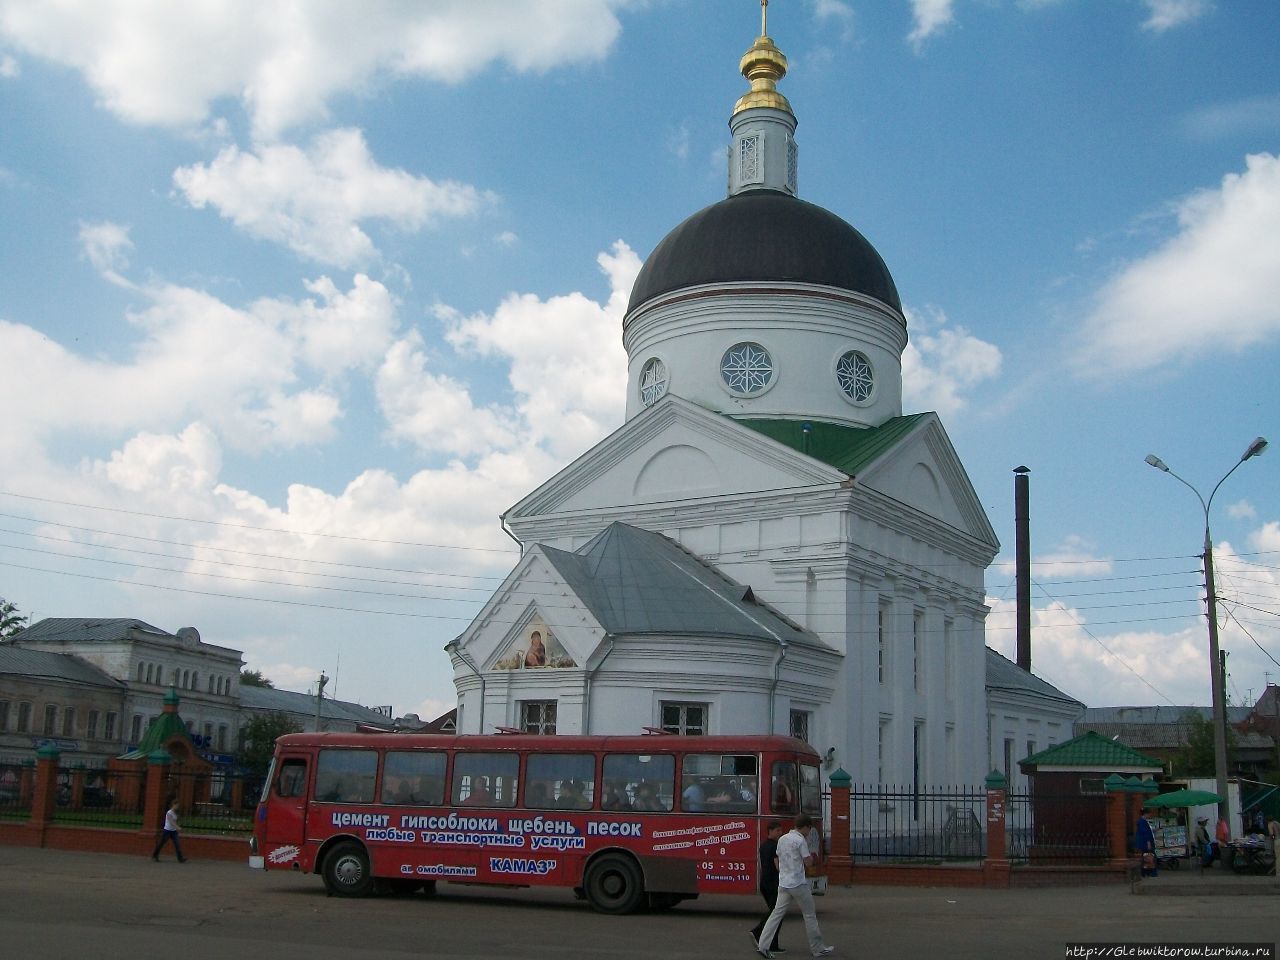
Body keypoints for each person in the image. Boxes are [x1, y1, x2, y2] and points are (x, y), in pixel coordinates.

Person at [755, 813, 834, 959]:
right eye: (809, 829)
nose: (809, 832)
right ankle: (817, 948)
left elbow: (778, 859)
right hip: (798, 883)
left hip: (783, 883)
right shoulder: (800, 840)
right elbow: (808, 862)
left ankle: (763, 946)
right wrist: (813, 858)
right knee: (809, 914)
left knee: (776, 914)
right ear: (805, 827)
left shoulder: (783, 839)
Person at [749, 820, 786, 955]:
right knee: (776, 913)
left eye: (781, 831)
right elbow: (778, 866)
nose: (780, 833)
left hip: (765, 882)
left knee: (776, 912)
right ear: (770, 831)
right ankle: (757, 931)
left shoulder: (763, 846)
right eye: (778, 831)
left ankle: (773, 944)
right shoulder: (776, 846)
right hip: (774, 883)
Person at [151, 798, 187, 863]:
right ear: (173, 805)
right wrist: (177, 827)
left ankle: (180, 858)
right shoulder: (169, 813)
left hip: (173, 832)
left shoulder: (175, 813)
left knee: (177, 844)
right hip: (167, 831)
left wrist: (178, 825)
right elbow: (171, 822)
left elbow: (175, 821)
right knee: (161, 843)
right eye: (177, 805)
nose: (178, 807)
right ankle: (155, 855)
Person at [1134, 807, 1157, 877]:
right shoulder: (1143, 822)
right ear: (1146, 814)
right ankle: (1150, 872)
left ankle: (1145, 872)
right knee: (1150, 857)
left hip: (1143, 843)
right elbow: (1145, 833)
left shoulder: (1141, 822)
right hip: (1146, 843)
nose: (1150, 815)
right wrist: (1148, 843)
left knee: (1145, 857)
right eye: (1149, 814)